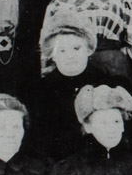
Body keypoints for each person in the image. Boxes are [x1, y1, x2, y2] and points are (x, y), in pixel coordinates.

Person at [26, 10, 120, 163]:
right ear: (52, 55)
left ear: (89, 49)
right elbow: (37, 142)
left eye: (76, 48)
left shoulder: (107, 83)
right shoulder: (39, 90)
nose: (70, 56)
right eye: (62, 50)